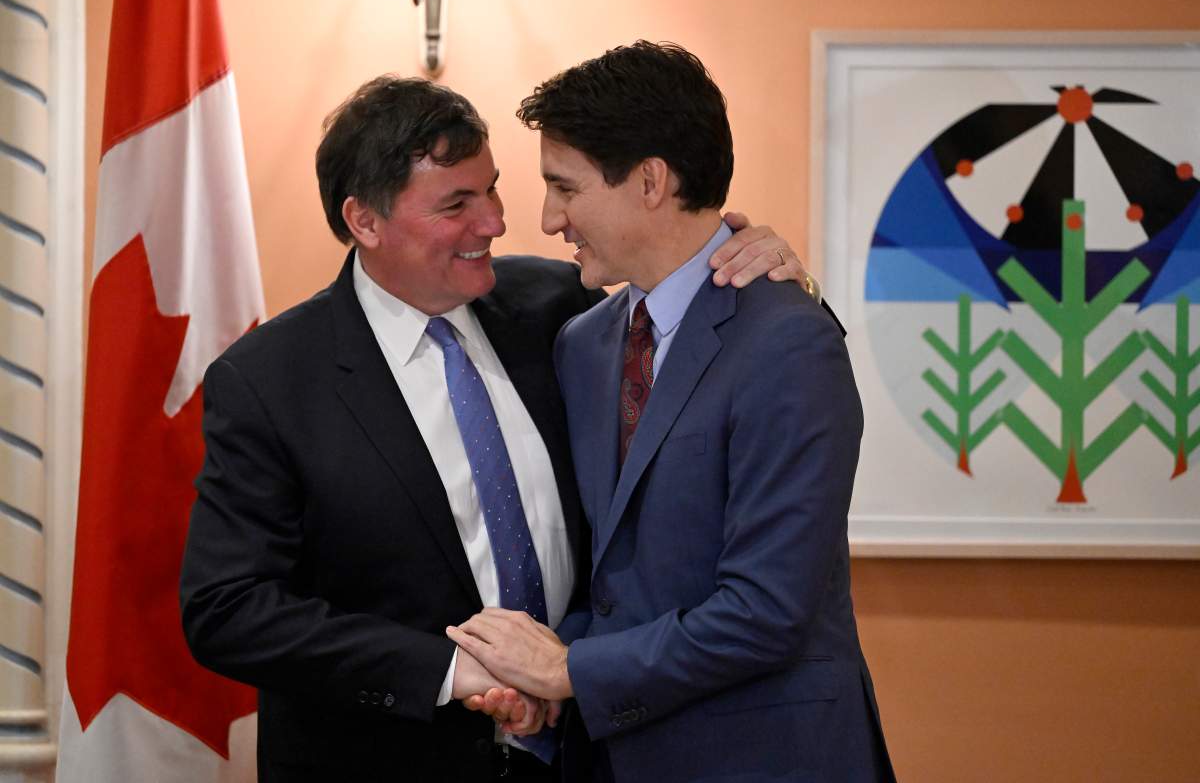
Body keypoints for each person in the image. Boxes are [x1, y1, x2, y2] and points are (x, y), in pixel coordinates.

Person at [179, 74, 814, 782]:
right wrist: (450, 669)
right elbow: (226, 608)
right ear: (365, 221)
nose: (497, 222)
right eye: (457, 204)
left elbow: (678, 274)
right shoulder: (270, 379)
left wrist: (760, 252)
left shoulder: (554, 308)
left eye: (492, 189)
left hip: (585, 755)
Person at [448, 41, 895, 783]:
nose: (549, 218)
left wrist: (571, 669)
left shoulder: (790, 340)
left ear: (651, 180)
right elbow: (617, 579)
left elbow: (766, 610)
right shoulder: (583, 343)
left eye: (565, 187)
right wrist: (549, 688)